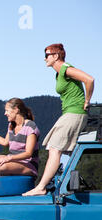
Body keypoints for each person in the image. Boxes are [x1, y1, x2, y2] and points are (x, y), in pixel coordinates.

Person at [23, 43, 95, 196]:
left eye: (47, 55)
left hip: (74, 113)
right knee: (62, 150)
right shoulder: (59, 73)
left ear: (56, 56)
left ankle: (41, 187)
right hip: (70, 113)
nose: (45, 58)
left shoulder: (65, 69)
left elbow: (89, 79)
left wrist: (87, 101)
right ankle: (62, 185)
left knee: (54, 148)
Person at [0, 98, 40, 177]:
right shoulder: (11, 125)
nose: (5, 113)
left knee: (1, 167)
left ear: (16, 110)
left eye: (7, 110)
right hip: (14, 160)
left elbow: (28, 153)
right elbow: (5, 142)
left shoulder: (30, 126)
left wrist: (9, 158)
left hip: (28, 164)